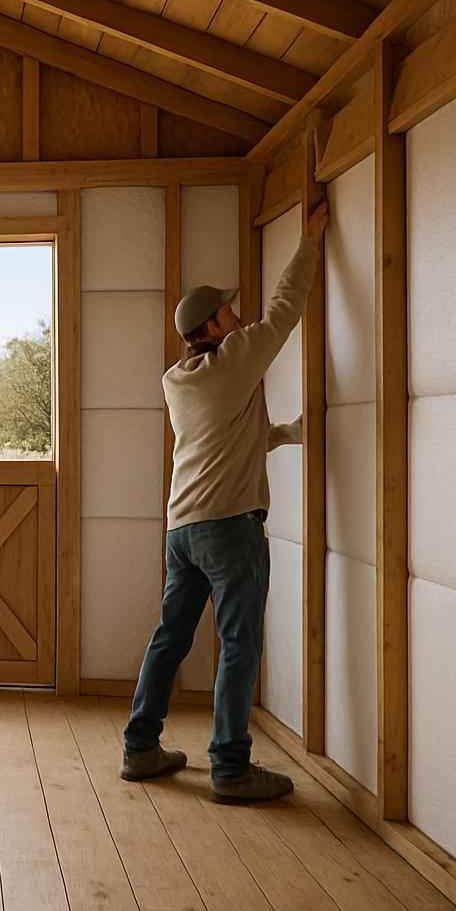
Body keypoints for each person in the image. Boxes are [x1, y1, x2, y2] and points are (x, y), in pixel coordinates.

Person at [120, 198, 330, 803]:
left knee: (171, 636)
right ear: (212, 327)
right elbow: (286, 309)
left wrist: (287, 433)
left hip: (181, 529)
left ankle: (140, 747)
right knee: (238, 644)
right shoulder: (237, 358)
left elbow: (227, 441)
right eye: (228, 311)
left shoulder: (178, 381)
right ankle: (231, 768)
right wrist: (309, 242)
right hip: (230, 529)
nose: (238, 317)